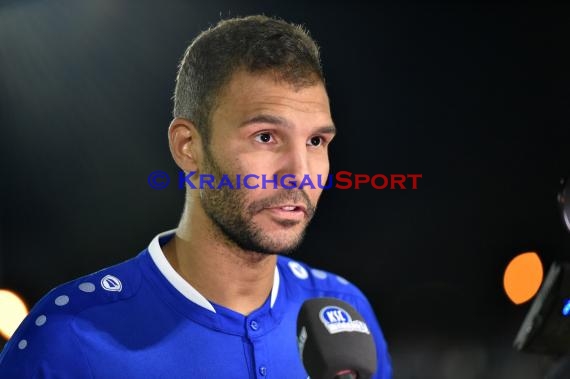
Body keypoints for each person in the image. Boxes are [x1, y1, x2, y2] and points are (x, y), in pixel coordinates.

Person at [0, 15, 392, 378]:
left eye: (316, 141)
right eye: (266, 137)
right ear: (188, 146)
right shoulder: (68, 335)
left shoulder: (342, 309)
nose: (301, 173)